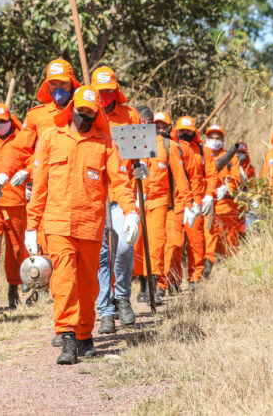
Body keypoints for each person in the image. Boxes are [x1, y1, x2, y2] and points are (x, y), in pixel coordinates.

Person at [26, 86, 140, 365]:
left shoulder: (106, 144)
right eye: (80, 112)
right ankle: (66, 335)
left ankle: (84, 334)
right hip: (58, 223)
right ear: (70, 110)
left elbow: (120, 184)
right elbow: (39, 186)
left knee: (89, 285)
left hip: (91, 224)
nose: (84, 118)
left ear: (96, 113)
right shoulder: (51, 138)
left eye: (90, 113)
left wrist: (131, 213)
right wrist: (31, 226)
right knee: (65, 282)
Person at [0, 59, 82, 258]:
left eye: (63, 84)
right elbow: (19, 149)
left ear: (72, 84)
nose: (58, 89)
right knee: (43, 248)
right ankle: (43, 287)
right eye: (53, 84)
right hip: (45, 191)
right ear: (47, 86)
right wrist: (4, 173)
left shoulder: (83, 113)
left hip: (78, 190)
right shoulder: (37, 116)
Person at [89, 66, 142, 335]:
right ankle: (106, 310)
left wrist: (143, 166)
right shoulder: (85, 115)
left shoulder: (129, 115)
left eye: (109, 91)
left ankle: (122, 295)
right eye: (100, 92)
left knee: (123, 248)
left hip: (123, 195)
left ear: (115, 90)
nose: (104, 96)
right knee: (100, 257)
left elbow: (143, 154)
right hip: (95, 195)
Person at [134, 111, 192, 299]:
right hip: (136, 202)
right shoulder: (134, 142)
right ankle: (142, 287)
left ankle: (155, 286)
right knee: (138, 246)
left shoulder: (169, 146)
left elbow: (181, 177)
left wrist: (188, 204)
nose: (157, 128)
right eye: (153, 124)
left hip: (160, 203)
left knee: (158, 244)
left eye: (159, 125)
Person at [0, 103, 30, 309]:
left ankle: (13, 288)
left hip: (16, 201)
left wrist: (28, 176)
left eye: (3, 121)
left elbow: (30, 159)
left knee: (16, 249)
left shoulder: (21, 137)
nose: (0, 125)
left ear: (11, 120)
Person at [175, 116, 217, 278]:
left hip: (196, 201)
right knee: (174, 243)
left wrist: (209, 195)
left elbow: (212, 174)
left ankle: (195, 277)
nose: (185, 134)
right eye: (182, 131)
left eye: (188, 131)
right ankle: (173, 280)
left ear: (195, 132)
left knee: (196, 242)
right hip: (175, 201)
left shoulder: (203, 150)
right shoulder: (171, 148)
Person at [202, 125, 244, 260]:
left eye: (218, 138)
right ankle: (207, 264)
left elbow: (236, 178)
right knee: (206, 236)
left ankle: (228, 265)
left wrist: (226, 187)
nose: (215, 140)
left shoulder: (231, 157)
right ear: (206, 139)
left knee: (229, 237)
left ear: (222, 140)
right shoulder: (201, 154)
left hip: (226, 203)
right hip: (206, 201)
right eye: (212, 138)